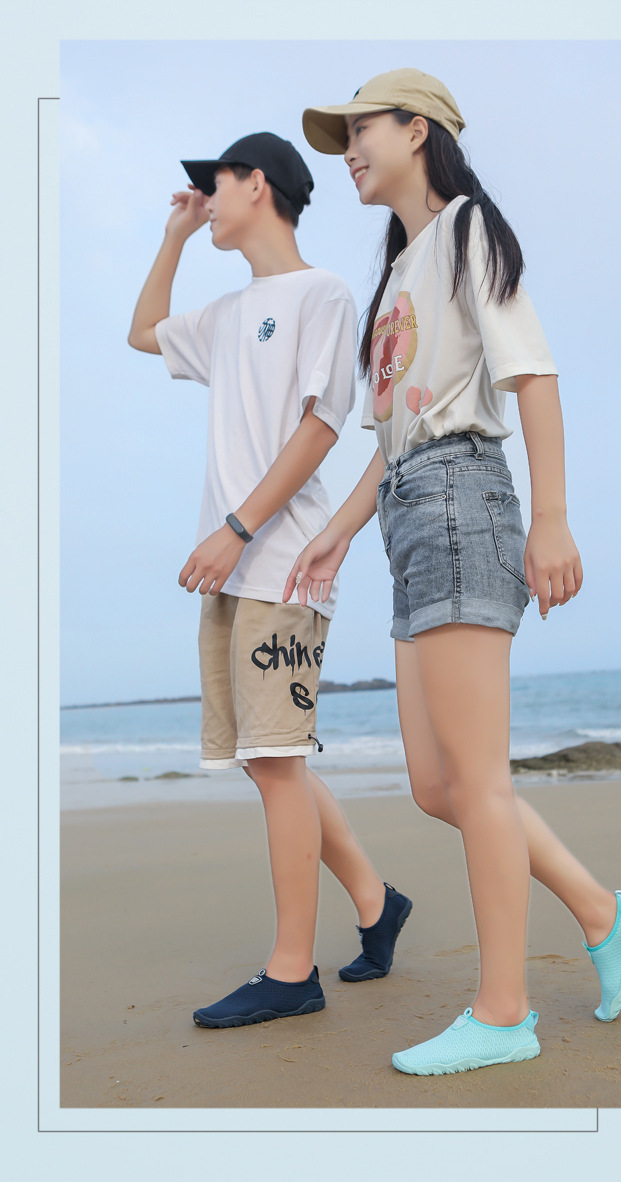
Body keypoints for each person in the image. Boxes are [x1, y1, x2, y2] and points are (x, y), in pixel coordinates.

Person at [286, 70, 621, 1075]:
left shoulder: (467, 230)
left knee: (479, 781)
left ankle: (503, 1014)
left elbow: (531, 375)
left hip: (461, 497)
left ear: (419, 129)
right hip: (408, 510)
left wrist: (553, 519)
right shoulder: (399, 271)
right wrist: (340, 533)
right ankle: (601, 909)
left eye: (360, 130)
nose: (348, 151)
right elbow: (391, 433)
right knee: (436, 785)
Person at [128, 131, 412, 1030]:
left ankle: (292, 972)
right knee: (268, 759)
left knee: (277, 763)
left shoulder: (322, 294)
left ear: (257, 183)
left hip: (280, 560)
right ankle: (376, 901)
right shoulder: (226, 313)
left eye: (211, 185)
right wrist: (175, 236)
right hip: (232, 562)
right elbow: (142, 333)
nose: (204, 198)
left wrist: (239, 528)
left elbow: (323, 425)